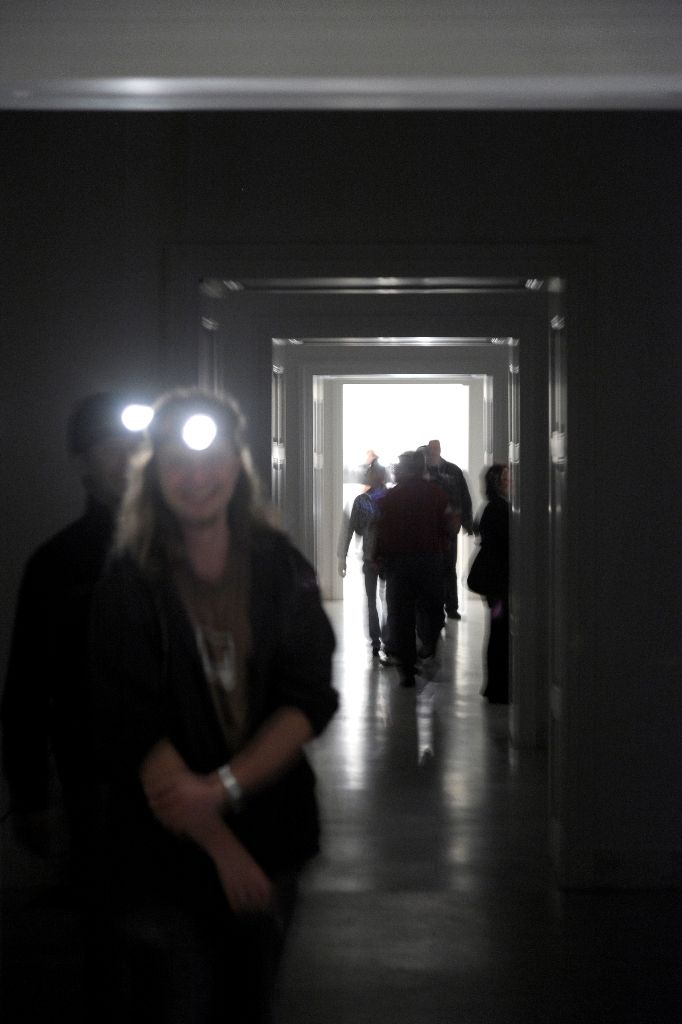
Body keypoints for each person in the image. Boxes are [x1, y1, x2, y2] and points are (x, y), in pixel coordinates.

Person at [87, 387, 338, 1024]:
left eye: (211, 458)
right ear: (154, 475)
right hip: (162, 851)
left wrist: (224, 788)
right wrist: (220, 842)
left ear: (237, 464)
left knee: (249, 1003)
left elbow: (307, 697)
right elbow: (131, 722)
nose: (196, 476)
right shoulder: (129, 579)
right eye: (177, 462)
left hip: (273, 833)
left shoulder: (281, 567)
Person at [1, 390, 143, 884]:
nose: (128, 461)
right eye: (111, 448)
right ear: (83, 461)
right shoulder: (57, 564)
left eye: (138, 446)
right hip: (94, 781)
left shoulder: (201, 548)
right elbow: (26, 686)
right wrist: (30, 796)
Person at [374, 450, 455, 687]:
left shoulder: (390, 498)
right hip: (430, 562)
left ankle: (407, 670)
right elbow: (450, 528)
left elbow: (380, 531)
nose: (396, 470)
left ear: (407, 469)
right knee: (433, 610)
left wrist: (378, 558)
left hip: (399, 565)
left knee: (401, 618)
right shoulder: (437, 495)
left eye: (400, 466)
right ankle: (428, 646)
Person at [337, 461, 388, 657]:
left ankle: (383, 638)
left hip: (384, 557)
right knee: (374, 600)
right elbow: (351, 529)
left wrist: (343, 557)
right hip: (372, 557)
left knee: (384, 600)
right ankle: (377, 639)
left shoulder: (387, 499)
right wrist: (342, 556)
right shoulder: (362, 501)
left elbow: (353, 529)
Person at [423, 439, 473, 620]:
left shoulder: (452, 471)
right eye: (432, 449)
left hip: (447, 527)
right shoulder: (437, 472)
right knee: (442, 568)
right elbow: (463, 497)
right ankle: (445, 607)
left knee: (448, 567)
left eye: (436, 448)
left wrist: (466, 522)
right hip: (437, 528)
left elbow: (464, 497)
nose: (434, 451)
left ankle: (450, 606)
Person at [476, 463, 510, 704]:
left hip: (495, 585)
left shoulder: (493, 507)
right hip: (498, 586)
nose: (509, 482)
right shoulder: (499, 509)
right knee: (499, 632)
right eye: (505, 479)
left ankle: (495, 685)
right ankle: (497, 687)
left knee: (498, 631)